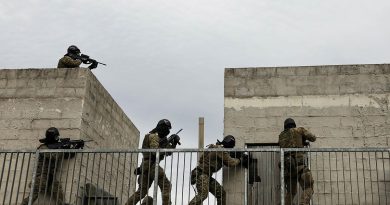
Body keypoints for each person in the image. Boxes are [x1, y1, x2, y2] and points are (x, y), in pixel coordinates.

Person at [21, 127, 83, 205]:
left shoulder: (55, 148)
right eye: (56, 137)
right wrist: (62, 148)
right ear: (51, 137)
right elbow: (54, 156)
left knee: (59, 195)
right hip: (41, 176)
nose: (57, 138)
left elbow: (67, 155)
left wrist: (75, 148)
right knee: (32, 197)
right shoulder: (43, 148)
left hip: (50, 177)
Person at [125, 119, 180, 205]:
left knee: (141, 192)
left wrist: (174, 143)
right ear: (162, 127)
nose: (168, 131)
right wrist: (167, 143)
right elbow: (155, 152)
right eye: (167, 128)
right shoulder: (153, 136)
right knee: (166, 185)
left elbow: (169, 152)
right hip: (152, 165)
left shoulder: (159, 138)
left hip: (145, 167)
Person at [189, 135, 241, 205]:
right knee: (203, 195)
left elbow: (201, 159)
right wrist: (240, 160)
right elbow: (230, 162)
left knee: (221, 194)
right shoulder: (220, 150)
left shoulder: (214, 148)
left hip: (205, 175)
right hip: (202, 174)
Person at [278, 118, 316, 205]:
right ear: (294, 124)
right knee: (309, 186)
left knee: (291, 192)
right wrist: (303, 139)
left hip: (288, 168)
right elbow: (313, 138)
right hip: (300, 166)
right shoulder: (299, 130)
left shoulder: (281, 136)